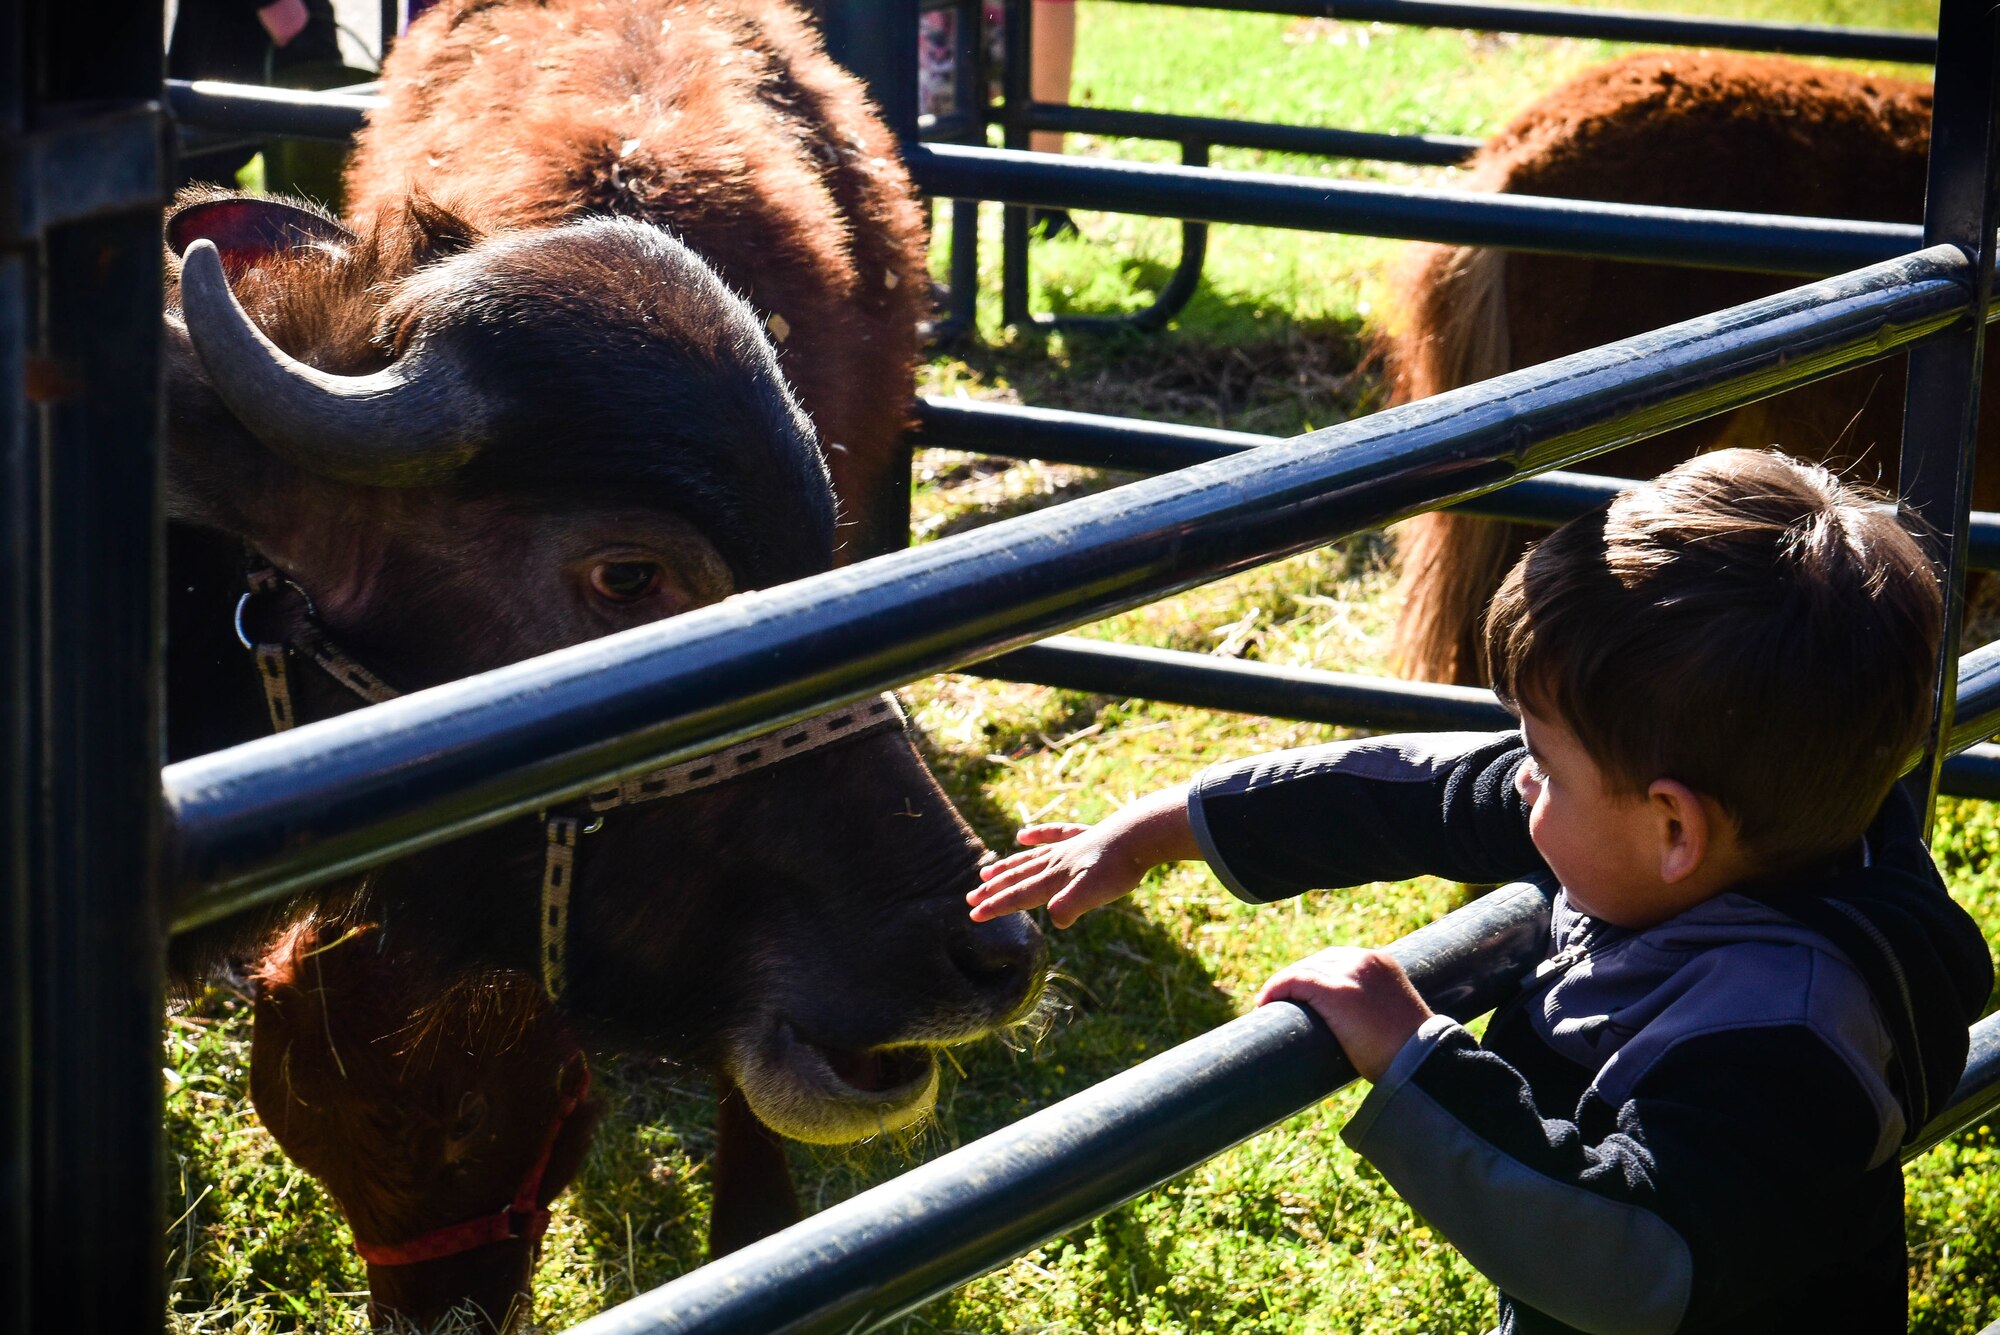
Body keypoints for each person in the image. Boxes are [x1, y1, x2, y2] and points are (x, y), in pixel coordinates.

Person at [967, 447, 1994, 1333]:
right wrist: (1155, 832)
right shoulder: (1769, 821)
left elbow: (1635, 1260)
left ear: (1672, 826)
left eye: (1542, 758)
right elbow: (1423, 793)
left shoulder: (1784, 1040)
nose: (1518, 777)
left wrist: (1416, 1058)